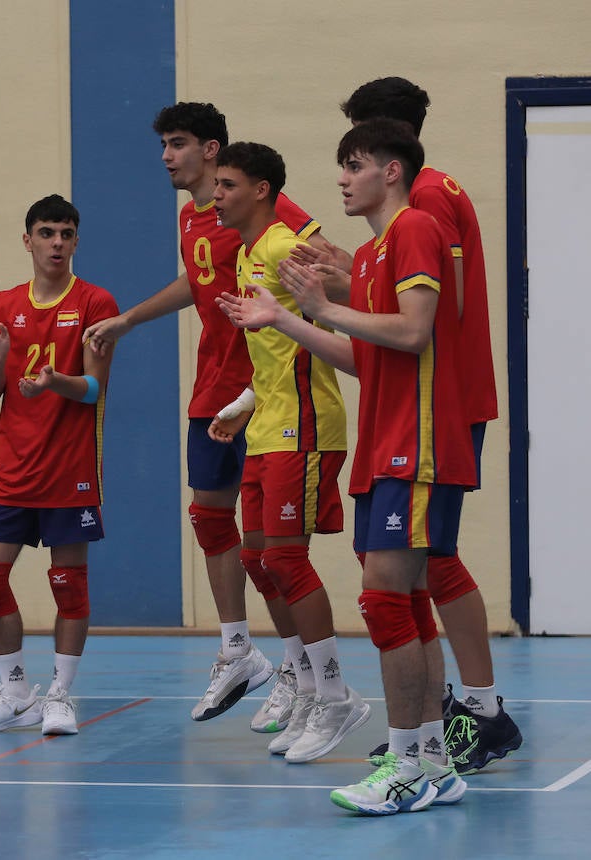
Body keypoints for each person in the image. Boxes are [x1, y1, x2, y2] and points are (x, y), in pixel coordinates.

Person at [218, 119, 469, 814]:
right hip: (387, 440)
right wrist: (291, 318)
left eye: (354, 165)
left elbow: (415, 332)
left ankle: (406, 765)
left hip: (414, 444)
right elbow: (365, 359)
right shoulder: (375, 250)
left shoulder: (413, 228)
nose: (341, 178)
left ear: (390, 170)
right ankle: (432, 761)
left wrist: (328, 304)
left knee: (386, 601)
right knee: (407, 602)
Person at [84, 103, 322, 733]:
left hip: (267, 396)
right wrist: (129, 320)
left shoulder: (262, 212)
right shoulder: (196, 218)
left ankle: (304, 671)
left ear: (213, 150)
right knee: (210, 519)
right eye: (163, 143)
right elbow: (196, 281)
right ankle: (240, 649)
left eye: (179, 143)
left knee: (268, 547)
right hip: (212, 388)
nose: (167, 155)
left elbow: (316, 254)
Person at [334, 76, 523, 774]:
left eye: (356, 150)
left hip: (440, 398)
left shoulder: (425, 202)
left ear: (388, 145)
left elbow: (428, 310)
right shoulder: (409, 215)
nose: (348, 170)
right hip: (420, 395)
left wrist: (329, 302)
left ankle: (479, 710)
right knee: (404, 567)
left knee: (423, 561)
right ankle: (439, 719)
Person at [208, 142, 368, 762]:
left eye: (227, 184)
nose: (216, 195)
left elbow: (331, 329)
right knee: (257, 559)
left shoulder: (282, 248)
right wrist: (244, 402)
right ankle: (303, 684)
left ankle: (335, 698)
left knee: (287, 560)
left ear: (263, 190)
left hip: (304, 428)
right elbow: (279, 354)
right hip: (266, 425)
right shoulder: (248, 252)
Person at [0, 194, 117, 735]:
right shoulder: (1, 306)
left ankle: (62, 696)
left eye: (66, 234)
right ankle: (14, 689)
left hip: (69, 468)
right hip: (14, 472)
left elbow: (95, 388)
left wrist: (56, 382)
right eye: (46, 233)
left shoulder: (96, 303)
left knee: (68, 583)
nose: (56, 243)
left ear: (76, 242)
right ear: (27, 240)